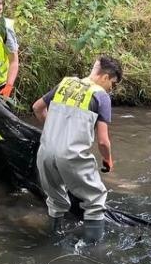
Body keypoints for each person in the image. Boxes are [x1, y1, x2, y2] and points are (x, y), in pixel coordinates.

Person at [32, 56, 123, 243]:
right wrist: (108, 160)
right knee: (96, 200)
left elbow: (37, 108)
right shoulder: (101, 96)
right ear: (105, 77)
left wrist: (55, 130)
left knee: (56, 200)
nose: (111, 89)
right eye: (113, 84)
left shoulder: (65, 84)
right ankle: (94, 250)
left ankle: (53, 240)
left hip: (45, 152)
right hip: (72, 156)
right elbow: (103, 142)